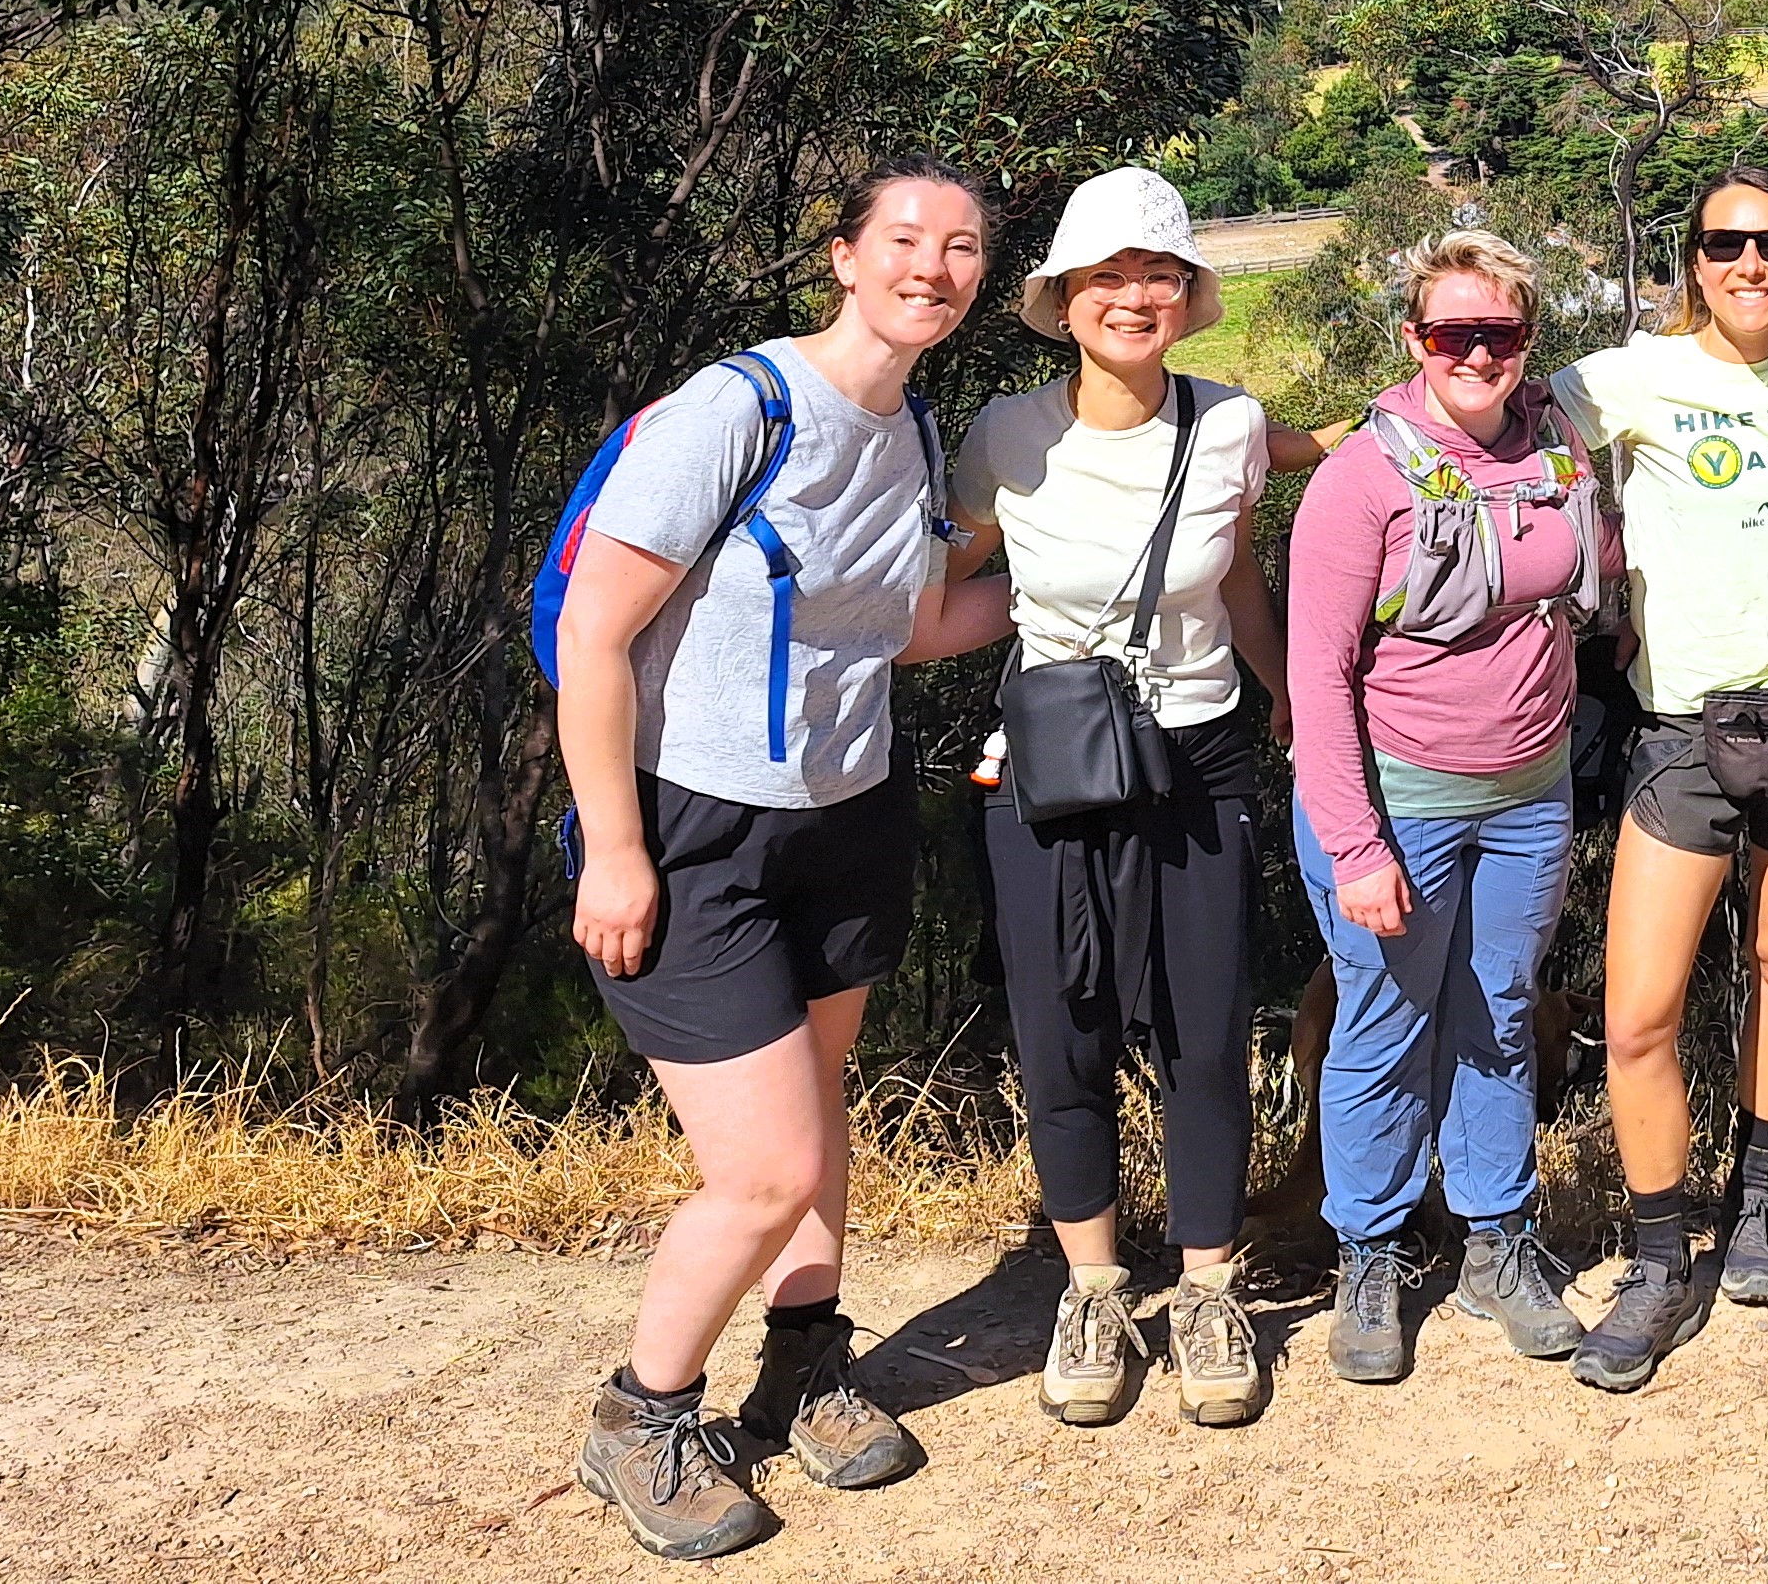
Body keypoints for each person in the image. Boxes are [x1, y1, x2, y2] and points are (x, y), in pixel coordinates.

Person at [555, 158, 1009, 1562]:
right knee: (759, 1170)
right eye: (906, 242)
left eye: (964, 250)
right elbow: (592, 634)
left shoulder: (915, 431)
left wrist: (1101, 581)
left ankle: (806, 1358)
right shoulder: (736, 409)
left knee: (817, 1102)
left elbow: (906, 627)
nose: (933, 268)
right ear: (845, 258)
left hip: (847, 817)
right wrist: (616, 852)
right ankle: (642, 1416)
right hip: (697, 832)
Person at [956, 166, 1310, 1434]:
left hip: (1201, 759)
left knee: (1205, 1025)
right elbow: (951, 579)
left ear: (1185, 296)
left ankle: (1210, 1286)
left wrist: (1292, 697)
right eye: (1106, 275)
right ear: (1064, 299)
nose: (1134, 295)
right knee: (1064, 1029)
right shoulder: (1005, 432)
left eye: (1156, 273)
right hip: (1049, 769)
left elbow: (1241, 585)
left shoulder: (1229, 425)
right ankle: (1095, 1285)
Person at [1547, 165, 1768, 1391]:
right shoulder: (1630, 376)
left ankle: (1763, 1196)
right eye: (1726, 245)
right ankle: (1660, 1255)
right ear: (1692, 261)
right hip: (1688, 728)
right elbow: (1472, 417)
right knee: (1639, 1013)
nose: (1751, 267)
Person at [1285, 228, 1606, 1385]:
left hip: (1529, 793)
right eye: (1450, 332)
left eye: (1499, 332)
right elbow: (1316, 678)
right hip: (1398, 802)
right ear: (1413, 339)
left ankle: (1495, 1239)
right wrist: (1355, 847)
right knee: (1383, 1028)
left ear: (1527, 339)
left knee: (1501, 1013)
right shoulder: (1359, 478)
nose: (1476, 353)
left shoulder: (1554, 449)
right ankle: (1368, 1251)